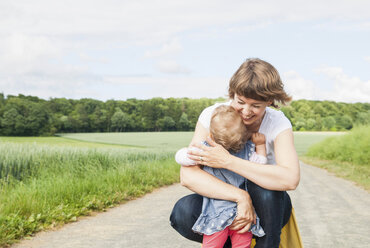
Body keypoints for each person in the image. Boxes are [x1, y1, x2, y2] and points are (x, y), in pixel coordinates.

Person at [170, 58, 300, 248]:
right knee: (183, 211)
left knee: (265, 192)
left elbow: (290, 179)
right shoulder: (213, 116)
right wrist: (240, 197)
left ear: (269, 101)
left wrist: (228, 161)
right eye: (240, 102)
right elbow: (188, 176)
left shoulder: (278, 124)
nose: (246, 112)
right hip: (224, 204)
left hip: (267, 209)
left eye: (256, 105)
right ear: (233, 94)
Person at [175, 105, 266, 248]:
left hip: (215, 214)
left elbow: (182, 158)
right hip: (242, 214)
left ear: (210, 136)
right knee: (242, 245)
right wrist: (260, 145)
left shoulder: (205, 151)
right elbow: (261, 165)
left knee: (212, 245)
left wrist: (188, 151)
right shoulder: (247, 151)